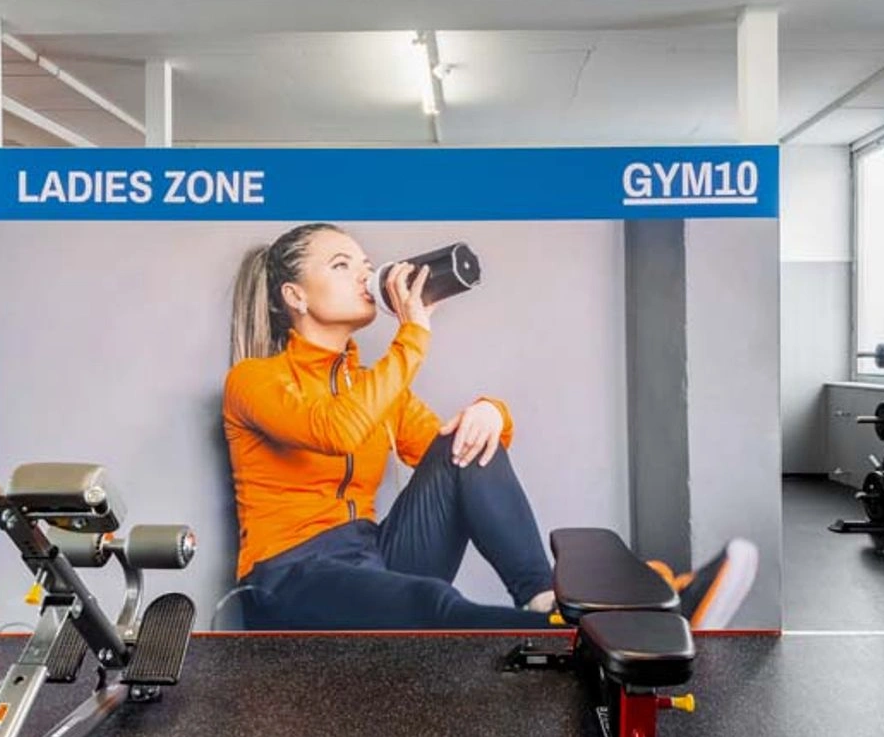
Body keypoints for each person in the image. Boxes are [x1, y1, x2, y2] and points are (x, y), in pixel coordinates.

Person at [221, 222, 755, 631]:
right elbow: (336, 429)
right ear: (295, 296)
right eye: (342, 265)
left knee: (469, 439)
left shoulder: (375, 384)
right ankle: (603, 633)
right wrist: (414, 334)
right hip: (290, 579)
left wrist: (492, 413)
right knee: (431, 603)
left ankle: (545, 599)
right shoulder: (252, 381)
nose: (364, 275)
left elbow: (458, 456)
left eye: (365, 264)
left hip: (373, 555)